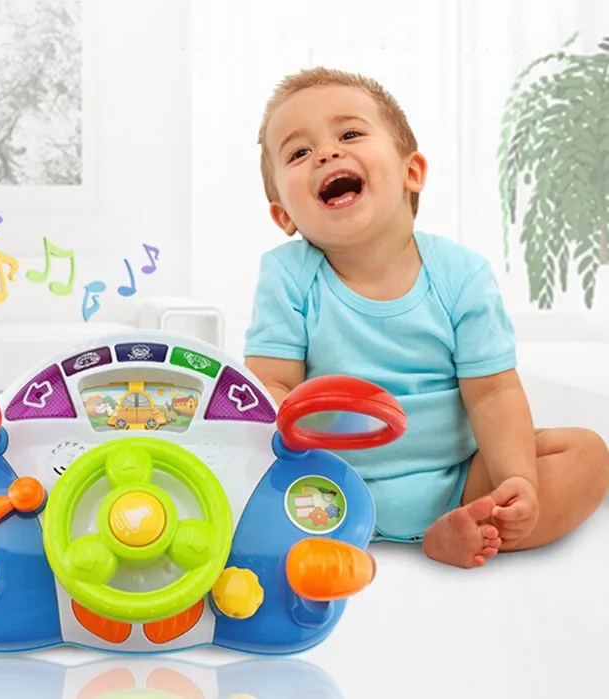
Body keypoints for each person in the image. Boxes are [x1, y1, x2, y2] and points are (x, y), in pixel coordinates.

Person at [243, 66, 609, 568]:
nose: (326, 153)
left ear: (411, 172)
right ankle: (350, 527)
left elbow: (494, 393)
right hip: (328, 484)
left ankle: (471, 525)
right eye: (299, 153)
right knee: (237, 465)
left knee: (587, 454)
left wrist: (516, 479)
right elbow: (271, 388)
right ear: (284, 214)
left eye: (349, 135)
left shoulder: (460, 274)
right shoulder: (287, 275)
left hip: (460, 478)